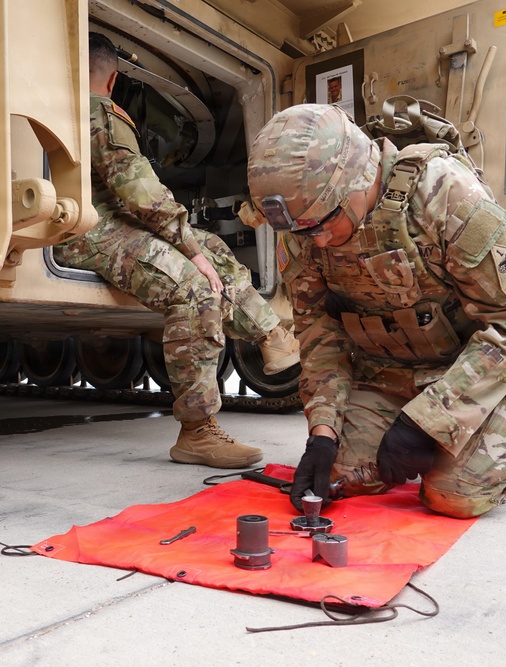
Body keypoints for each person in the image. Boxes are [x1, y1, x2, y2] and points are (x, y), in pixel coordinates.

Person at [247, 104, 506, 518]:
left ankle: (503, 433)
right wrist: (322, 433)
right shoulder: (306, 226)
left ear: (360, 177)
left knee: (455, 497)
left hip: (465, 373)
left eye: (323, 224)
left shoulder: (443, 193)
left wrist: (430, 422)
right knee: (341, 474)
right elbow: (320, 334)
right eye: (301, 231)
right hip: (383, 376)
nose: (315, 242)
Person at [53, 33, 299, 469]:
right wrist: (190, 249)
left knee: (216, 250)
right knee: (194, 287)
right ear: (111, 80)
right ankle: (197, 432)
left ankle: (272, 337)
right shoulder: (100, 114)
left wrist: (198, 247)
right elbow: (142, 195)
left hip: (108, 224)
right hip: (87, 232)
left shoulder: (68, 111)